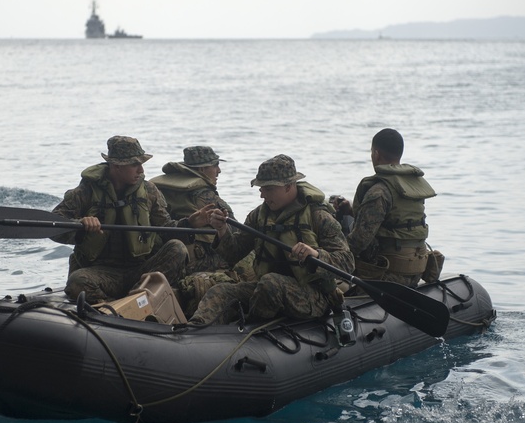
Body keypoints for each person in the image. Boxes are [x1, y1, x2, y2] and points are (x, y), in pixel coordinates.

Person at [189, 155, 354, 326]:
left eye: (268, 189)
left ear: (289, 186)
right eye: (261, 189)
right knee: (221, 290)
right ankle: (194, 329)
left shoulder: (319, 216)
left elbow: (347, 263)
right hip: (265, 289)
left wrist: (316, 256)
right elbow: (234, 254)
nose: (262, 195)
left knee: (271, 283)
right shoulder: (258, 216)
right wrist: (222, 230)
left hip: (312, 295)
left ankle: (251, 329)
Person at [51, 135, 211, 304]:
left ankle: (135, 299)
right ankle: (115, 307)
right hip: (102, 273)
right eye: (135, 164)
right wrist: (80, 225)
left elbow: (165, 228)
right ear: (116, 166)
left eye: (141, 164)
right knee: (78, 281)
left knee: (177, 249)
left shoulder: (149, 190)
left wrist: (189, 224)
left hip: (139, 271)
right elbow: (55, 225)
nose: (141, 170)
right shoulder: (86, 191)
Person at [331, 128, 435, 287]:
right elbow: (394, 221)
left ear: (376, 154)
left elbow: (358, 242)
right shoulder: (410, 187)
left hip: (387, 274)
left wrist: (328, 257)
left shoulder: (378, 192)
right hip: (416, 270)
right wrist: (352, 211)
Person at [150, 146, 235, 274]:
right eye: (215, 165)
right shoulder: (205, 195)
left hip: (167, 252)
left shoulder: (163, 188)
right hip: (195, 258)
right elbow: (234, 229)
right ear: (202, 169)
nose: (219, 170)